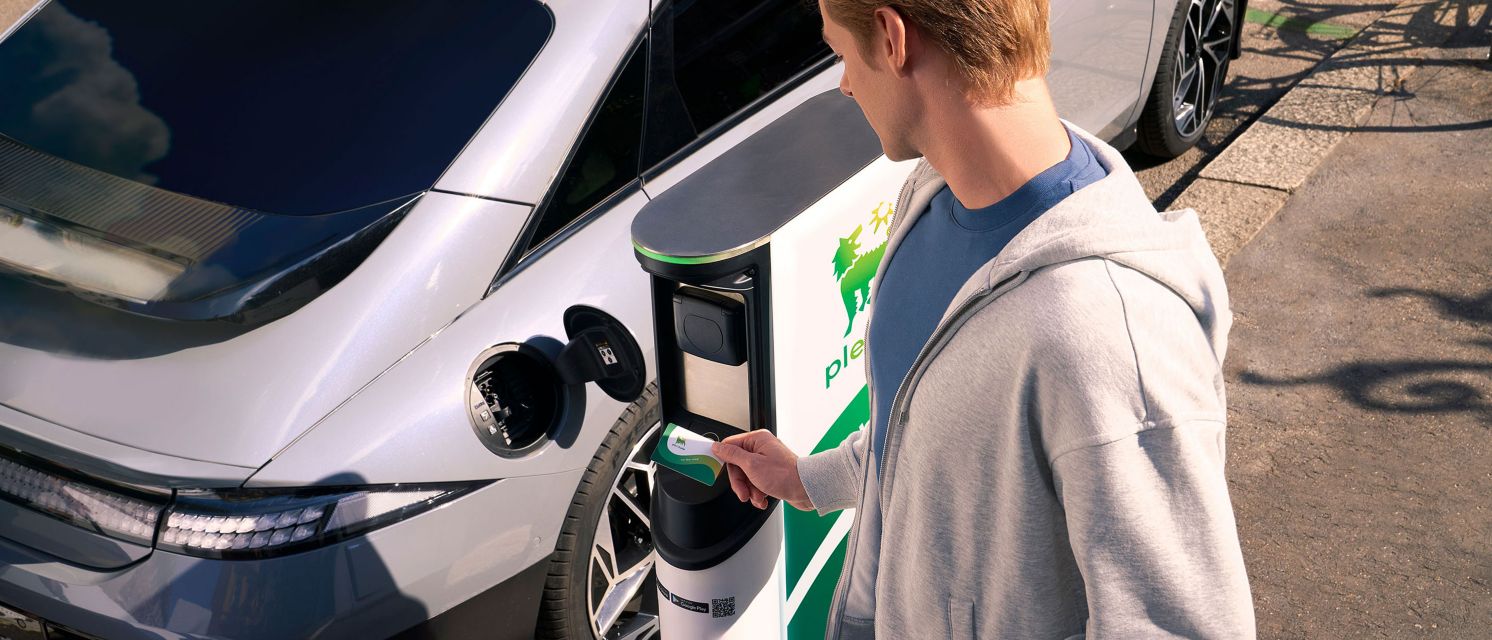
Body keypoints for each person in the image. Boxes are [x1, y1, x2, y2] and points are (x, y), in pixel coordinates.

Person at [709, 0, 1257, 637]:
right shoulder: (934, 193)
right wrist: (809, 478)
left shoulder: (1111, 331)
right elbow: (921, 434)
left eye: (841, 53)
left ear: (890, 38)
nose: (846, 83)